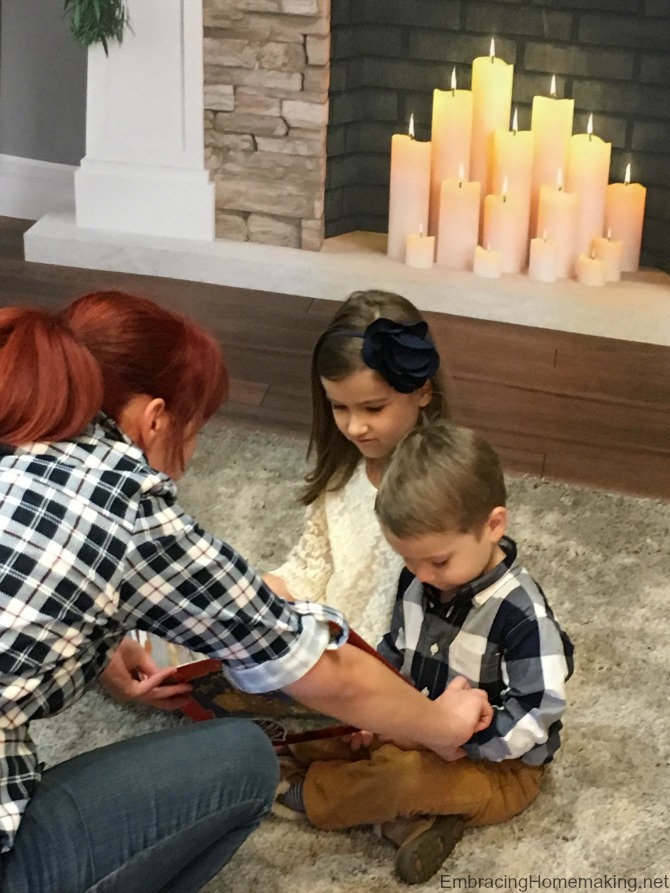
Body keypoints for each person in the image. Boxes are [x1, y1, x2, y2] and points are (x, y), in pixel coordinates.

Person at [0, 294, 492, 893]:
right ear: (155, 420)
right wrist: (440, 725)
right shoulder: (127, 509)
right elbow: (319, 664)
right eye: (196, 430)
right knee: (249, 755)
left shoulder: (20, 438)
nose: (192, 456)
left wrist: (99, 644)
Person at [275, 420, 575, 885]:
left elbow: (538, 712)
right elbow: (396, 652)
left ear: (493, 525)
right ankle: (414, 822)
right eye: (408, 560)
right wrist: (375, 712)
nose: (422, 575)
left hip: (497, 767)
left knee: (401, 779)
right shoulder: (418, 580)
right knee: (330, 726)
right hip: (421, 725)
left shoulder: (521, 615)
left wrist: (457, 739)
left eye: (437, 561)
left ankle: (309, 796)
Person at [264, 288, 449, 645]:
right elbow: (310, 569)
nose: (354, 427)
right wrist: (252, 599)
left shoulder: (444, 490)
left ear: (423, 391)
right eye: (339, 407)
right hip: (332, 639)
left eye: (373, 408)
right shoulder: (342, 472)